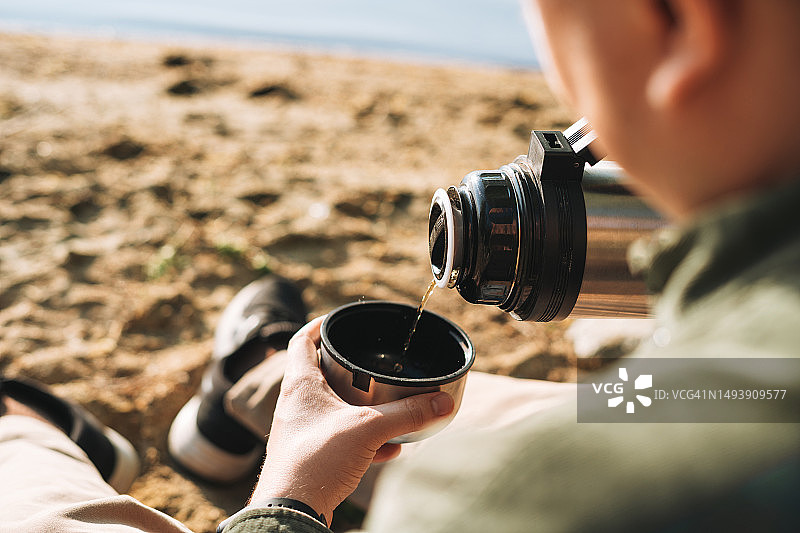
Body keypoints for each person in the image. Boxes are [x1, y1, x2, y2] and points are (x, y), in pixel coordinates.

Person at [1, 0, 799, 531]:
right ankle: (260, 376)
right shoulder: (740, 376)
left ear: (684, 23)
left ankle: (29, 427)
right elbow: (731, 389)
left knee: (21, 480)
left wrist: (290, 497)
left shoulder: (525, 499)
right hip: (718, 398)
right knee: (581, 407)